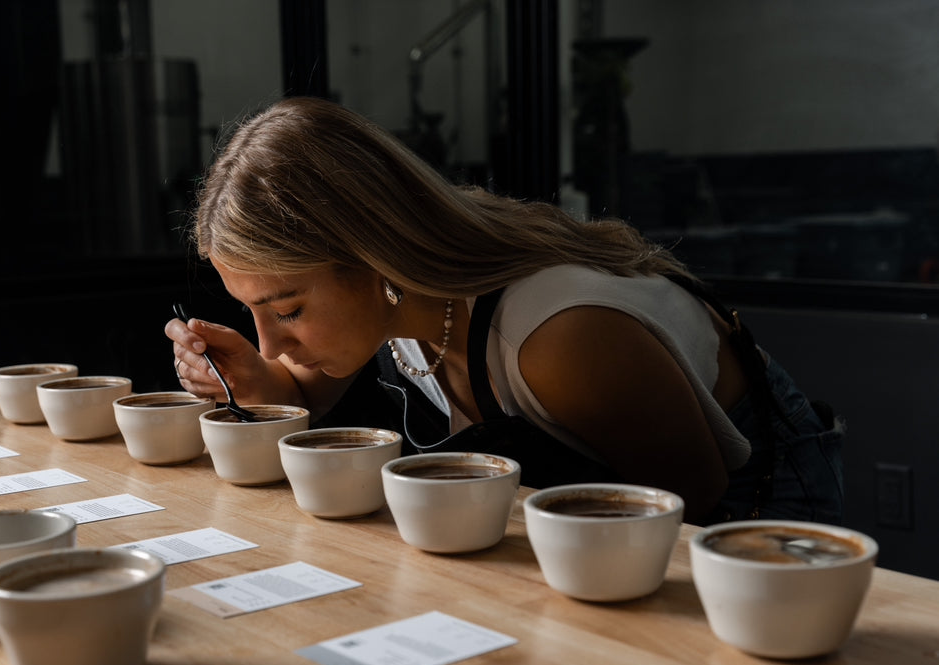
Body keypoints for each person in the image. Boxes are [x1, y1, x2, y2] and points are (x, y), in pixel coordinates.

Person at [165, 96, 845, 526]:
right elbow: (304, 384)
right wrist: (258, 382)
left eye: (285, 308)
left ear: (374, 260)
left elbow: (690, 498)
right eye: (252, 312)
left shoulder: (558, 338)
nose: (273, 339)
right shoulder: (407, 293)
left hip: (752, 501)